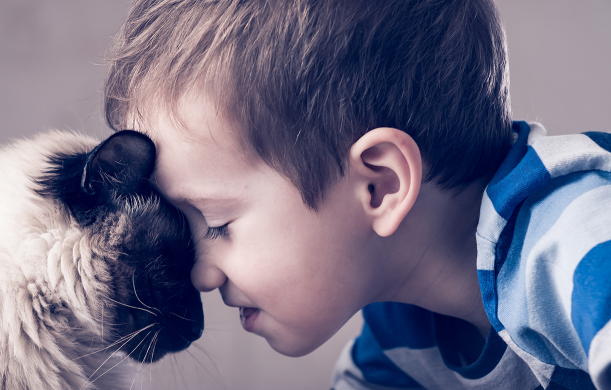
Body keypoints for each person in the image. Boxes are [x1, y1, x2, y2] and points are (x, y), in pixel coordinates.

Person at [103, 0, 611, 388]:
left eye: (216, 223)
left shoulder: (574, 236)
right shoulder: (397, 339)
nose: (199, 274)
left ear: (380, 185)